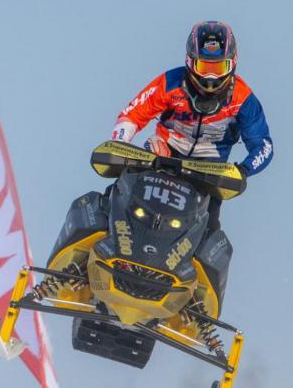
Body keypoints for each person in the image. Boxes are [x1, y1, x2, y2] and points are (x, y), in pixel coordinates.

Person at [111, 21, 273, 234]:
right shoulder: (170, 82)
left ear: (232, 63)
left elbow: (263, 145)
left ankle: (194, 264)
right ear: (190, 61)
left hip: (209, 169)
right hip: (163, 153)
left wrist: (243, 170)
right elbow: (132, 114)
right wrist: (121, 144)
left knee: (210, 228)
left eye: (218, 68)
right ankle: (91, 243)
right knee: (120, 191)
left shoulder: (244, 99)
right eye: (204, 67)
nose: (210, 78)